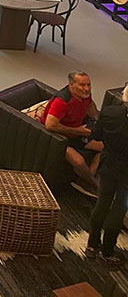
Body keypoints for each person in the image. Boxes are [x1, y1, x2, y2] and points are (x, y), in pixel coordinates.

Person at [42, 70, 103, 196]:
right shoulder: (62, 101)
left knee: (106, 146)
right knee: (79, 161)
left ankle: (86, 177)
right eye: (82, 85)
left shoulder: (85, 95)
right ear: (71, 84)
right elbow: (50, 125)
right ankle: (94, 185)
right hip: (57, 137)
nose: (86, 89)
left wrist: (97, 120)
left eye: (88, 85)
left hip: (77, 133)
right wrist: (78, 131)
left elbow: (90, 105)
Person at [86, 83, 128, 266]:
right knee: (119, 211)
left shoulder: (110, 112)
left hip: (109, 165)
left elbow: (96, 135)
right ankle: (108, 252)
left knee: (102, 203)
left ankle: (92, 245)